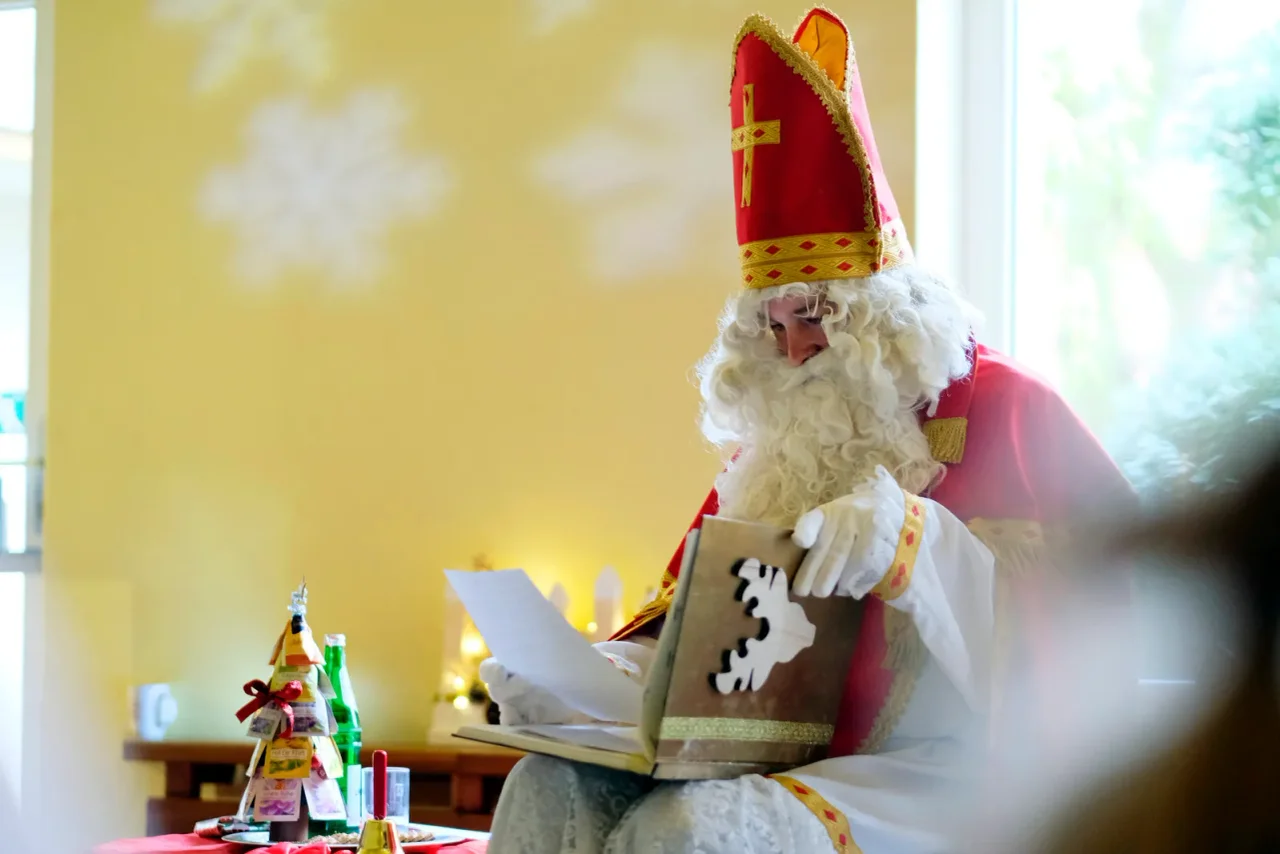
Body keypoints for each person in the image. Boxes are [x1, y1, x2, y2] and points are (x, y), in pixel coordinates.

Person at [481, 8, 1135, 853]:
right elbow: (698, 632)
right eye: (773, 324)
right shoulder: (784, 435)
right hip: (790, 753)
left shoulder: (1010, 409)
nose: (794, 351)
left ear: (883, 311)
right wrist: (591, 684)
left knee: (691, 829)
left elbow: (1100, 635)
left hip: (953, 770)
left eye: (817, 315)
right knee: (550, 787)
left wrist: (917, 545)